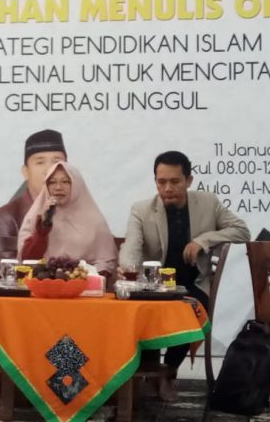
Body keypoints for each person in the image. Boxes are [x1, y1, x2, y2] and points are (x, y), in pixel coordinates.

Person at [118, 150, 250, 400]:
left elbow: (242, 230)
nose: (167, 188)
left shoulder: (207, 203)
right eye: (161, 182)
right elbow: (131, 246)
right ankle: (147, 374)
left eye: (175, 181)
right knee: (139, 308)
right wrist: (129, 267)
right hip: (154, 286)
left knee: (188, 308)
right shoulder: (142, 210)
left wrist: (203, 240)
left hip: (192, 284)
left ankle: (168, 374)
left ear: (188, 180)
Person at [18, 161, 117, 277]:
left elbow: (106, 263)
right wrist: (43, 228)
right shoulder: (36, 216)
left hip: (82, 282)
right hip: (43, 281)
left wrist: (86, 276)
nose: (58, 188)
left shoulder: (94, 220)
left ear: (77, 185)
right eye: (52, 182)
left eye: (65, 182)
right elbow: (27, 261)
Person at [0, 129, 67, 239]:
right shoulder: (5, 218)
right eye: (40, 162)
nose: (49, 170)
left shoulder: (80, 212)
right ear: (26, 172)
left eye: (57, 162)